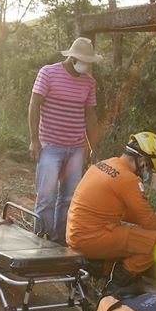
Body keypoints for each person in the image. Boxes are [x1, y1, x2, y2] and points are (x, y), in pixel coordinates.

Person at [66, 132, 156, 287]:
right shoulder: (128, 179)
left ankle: (99, 268)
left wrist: (155, 221)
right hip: (90, 238)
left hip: (77, 234)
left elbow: (130, 214)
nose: (148, 171)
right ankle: (115, 284)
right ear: (142, 160)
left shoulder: (104, 164)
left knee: (133, 233)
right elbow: (148, 221)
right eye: (149, 167)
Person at [28, 37, 101, 244]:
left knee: (68, 198)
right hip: (50, 144)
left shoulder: (89, 82)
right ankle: (40, 241)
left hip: (76, 147)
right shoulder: (48, 73)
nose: (85, 65)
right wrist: (34, 140)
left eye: (89, 61)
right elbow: (34, 104)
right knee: (46, 198)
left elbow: (90, 115)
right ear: (72, 57)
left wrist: (93, 147)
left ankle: (59, 241)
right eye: (83, 60)